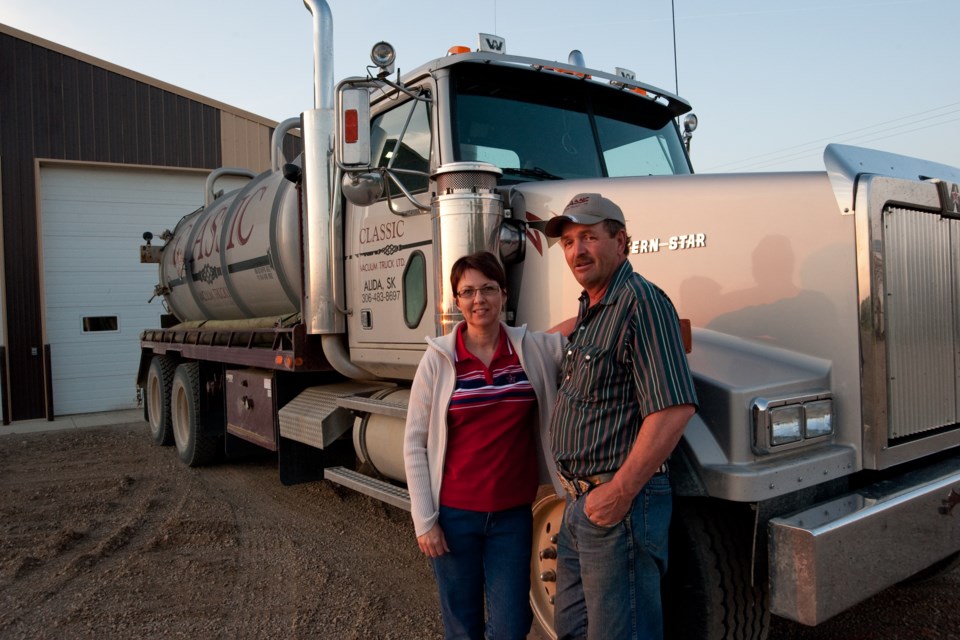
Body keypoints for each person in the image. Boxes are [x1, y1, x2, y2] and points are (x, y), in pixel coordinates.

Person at [544, 193, 699, 640]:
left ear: (621, 241)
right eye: (569, 241)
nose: (577, 251)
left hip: (617, 509)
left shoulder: (640, 302)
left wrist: (618, 493)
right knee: (572, 629)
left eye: (590, 237)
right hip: (581, 507)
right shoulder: (593, 307)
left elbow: (673, 408)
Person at [403, 251, 565, 640]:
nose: (480, 300)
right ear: (456, 301)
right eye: (468, 291)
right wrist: (425, 520)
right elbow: (414, 442)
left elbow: (577, 331)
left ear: (504, 294)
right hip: (455, 516)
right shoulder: (439, 359)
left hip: (511, 515)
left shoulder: (529, 349)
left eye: (488, 289)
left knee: (511, 626)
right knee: (463, 624)